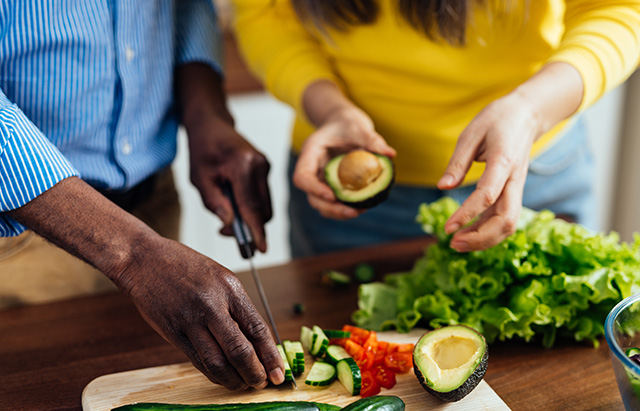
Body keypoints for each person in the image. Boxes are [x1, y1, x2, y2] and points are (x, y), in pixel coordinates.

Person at [0, 0, 285, 391]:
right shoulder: (138, 253)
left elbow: (185, 7)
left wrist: (206, 114)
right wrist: (133, 253)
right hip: (19, 234)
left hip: (154, 212)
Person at [231, 0, 640, 257]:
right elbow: (266, 13)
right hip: (350, 209)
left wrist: (531, 109)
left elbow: (619, 8)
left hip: (533, 177)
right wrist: (329, 107)